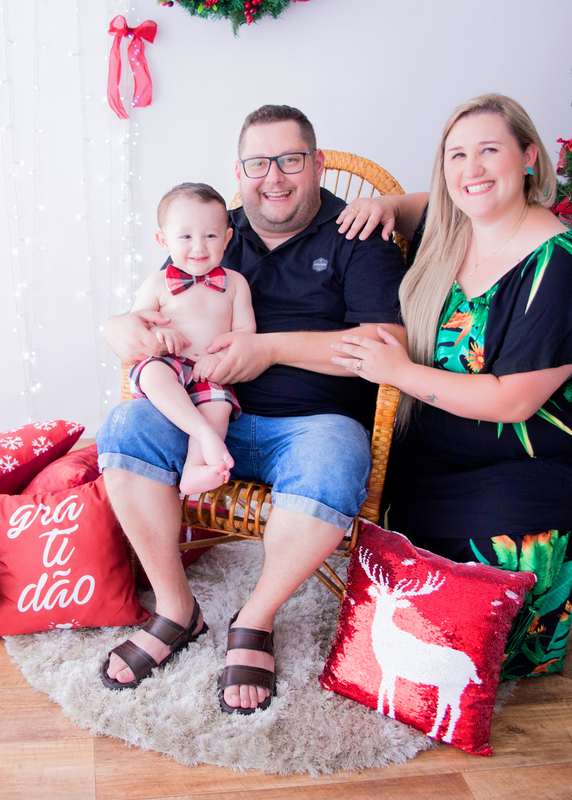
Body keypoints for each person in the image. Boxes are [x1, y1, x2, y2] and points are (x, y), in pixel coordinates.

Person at [330, 94, 572, 679]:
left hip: (555, 434)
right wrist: (385, 204)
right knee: (398, 523)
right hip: (451, 427)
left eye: (490, 150)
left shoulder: (559, 263)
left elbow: (514, 400)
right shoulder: (457, 219)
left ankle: (493, 654)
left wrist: (402, 373)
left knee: (497, 536)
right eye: (456, 155)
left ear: (529, 158)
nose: (472, 169)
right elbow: (423, 205)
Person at [97, 104, 406, 712]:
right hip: (208, 413)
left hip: (311, 425)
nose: (274, 177)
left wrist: (268, 349)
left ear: (316, 164)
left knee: (338, 454)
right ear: (238, 171)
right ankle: (176, 608)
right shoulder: (213, 229)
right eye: (258, 163)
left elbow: (388, 346)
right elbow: (149, 303)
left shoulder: (356, 238)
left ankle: (255, 619)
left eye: (290, 160)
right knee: (126, 423)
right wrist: (118, 325)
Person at [127, 183, 255, 496]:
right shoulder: (157, 283)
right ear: (163, 240)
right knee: (153, 372)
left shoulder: (235, 283)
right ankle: (204, 434)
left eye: (210, 235)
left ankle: (196, 468)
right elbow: (137, 325)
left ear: (227, 238)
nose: (198, 246)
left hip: (207, 371)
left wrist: (219, 357)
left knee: (219, 405)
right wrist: (159, 333)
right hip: (167, 363)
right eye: (185, 237)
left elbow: (245, 332)